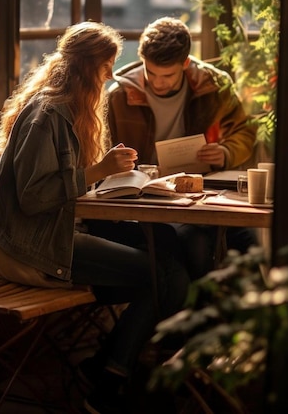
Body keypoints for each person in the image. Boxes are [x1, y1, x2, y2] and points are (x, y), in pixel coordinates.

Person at [0, 21, 190, 414]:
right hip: (30, 247)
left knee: (168, 256)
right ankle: (111, 381)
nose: (112, 75)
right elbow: (32, 198)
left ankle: (107, 369)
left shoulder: (69, 110)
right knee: (162, 276)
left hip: (53, 235)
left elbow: (63, 189)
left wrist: (119, 177)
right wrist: (98, 171)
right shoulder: (47, 114)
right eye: (107, 65)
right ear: (85, 67)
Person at [104, 16, 259, 280]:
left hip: (203, 195)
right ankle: (196, 316)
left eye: (167, 75)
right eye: (150, 72)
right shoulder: (120, 95)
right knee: (194, 244)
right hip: (148, 200)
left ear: (186, 64)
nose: (157, 82)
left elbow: (244, 131)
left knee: (250, 244)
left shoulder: (214, 85)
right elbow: (102, 153)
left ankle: (242, 317)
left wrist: (225, 152)